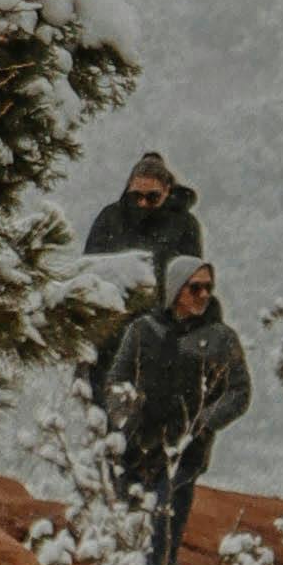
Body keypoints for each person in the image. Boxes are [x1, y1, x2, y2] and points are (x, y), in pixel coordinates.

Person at [104, 255, 251, 565]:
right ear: (175, 289)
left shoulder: (220, 339)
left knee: (163, 525)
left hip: (185, 450)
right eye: (194, 288)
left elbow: (239, 392)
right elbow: (117, 379)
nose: (203, 296)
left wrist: (205, 421)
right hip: (136, 447)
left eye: (208, 289)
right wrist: (125, 420)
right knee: (124, 525)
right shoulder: (144, 330)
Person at [78, 152, 204, 412]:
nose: (143, 203)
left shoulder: (184, 225)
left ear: (168, 191)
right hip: (110, 336)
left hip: (161, 339)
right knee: (107, 419)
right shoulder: (109, 219)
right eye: (137, 195)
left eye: (152, 197)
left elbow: (191, 283)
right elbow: (88, 275)